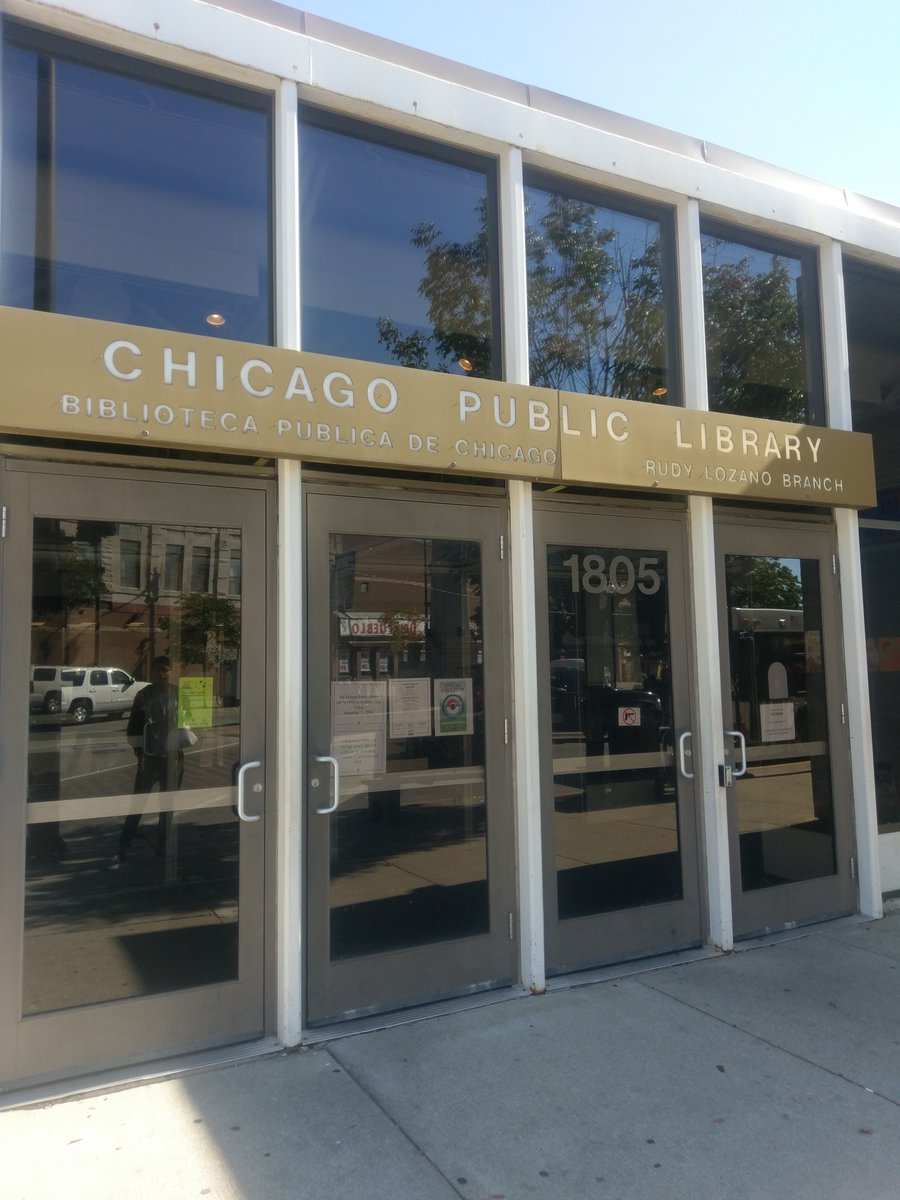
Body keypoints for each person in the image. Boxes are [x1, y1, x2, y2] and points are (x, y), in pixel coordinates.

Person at [114, 655, 184, 864]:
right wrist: (140, 753)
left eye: (165, 669)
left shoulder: (179, 694)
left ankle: (162, 846)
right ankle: (123, 846)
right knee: (138, 804)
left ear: (171, 671)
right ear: (152, 673)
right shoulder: (143, 696)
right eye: (158, 670)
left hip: (173, 758)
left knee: (167, 805)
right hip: (150, 758)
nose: (162, 674)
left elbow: (189, 723)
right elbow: (133, 729)